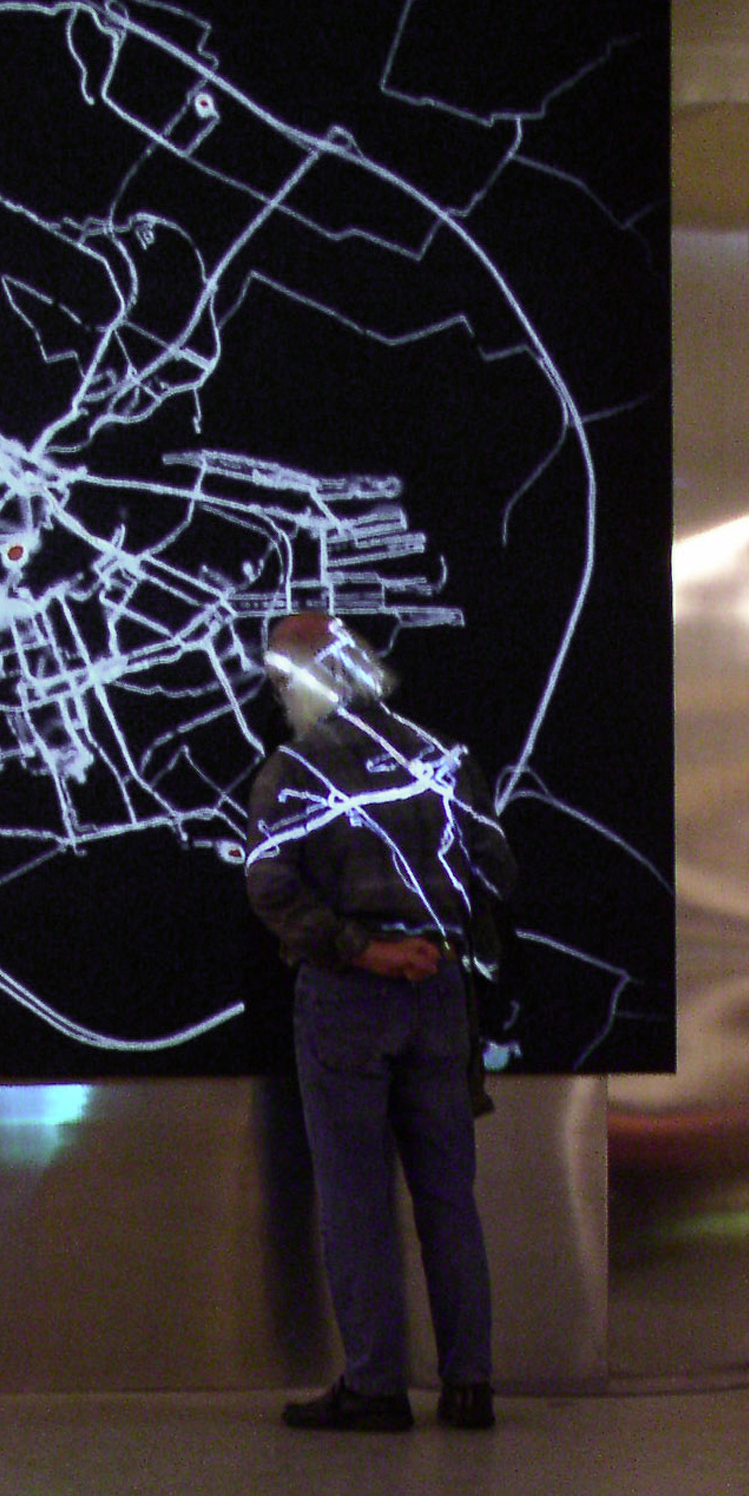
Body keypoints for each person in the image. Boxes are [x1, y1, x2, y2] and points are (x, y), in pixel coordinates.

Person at [245, 611, 516, 1432]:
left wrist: (366, 948)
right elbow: (493, 867)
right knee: (448, 1197)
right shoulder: (442, 757)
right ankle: (468, 1384)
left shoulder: (293, 771)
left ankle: (375, 1385)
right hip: (440, 994)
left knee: (354, 1195)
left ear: (298, 681)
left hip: (345, 999)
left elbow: (271, 886)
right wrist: (434, 942)